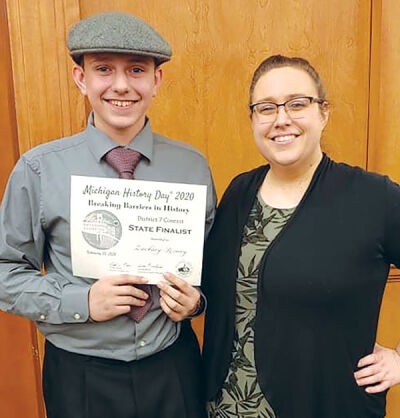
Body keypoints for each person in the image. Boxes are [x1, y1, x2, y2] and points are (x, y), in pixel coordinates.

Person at [0, 11, 216, 418]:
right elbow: (5, 271)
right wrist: (81, 300)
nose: (121, 86)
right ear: (81, 78)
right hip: (80, 375)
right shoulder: (39, 169)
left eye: (136, 70)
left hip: (173, 364)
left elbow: (213, 266)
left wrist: (196, 303)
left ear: (156, 80)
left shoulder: (193, 167)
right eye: (103, 69)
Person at [202, 54, 400, 418]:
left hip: (325, 404)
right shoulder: (238, 192)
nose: (281, 119)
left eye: (297, 104)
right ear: (253, 120)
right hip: (224, 407)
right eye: (266, 108)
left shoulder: (375, 198)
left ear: (323, 113)